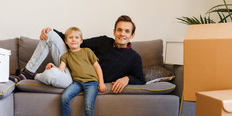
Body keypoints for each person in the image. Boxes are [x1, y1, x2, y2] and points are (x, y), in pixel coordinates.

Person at [10, 15, 145, 92]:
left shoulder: (134, 57)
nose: (122, 34)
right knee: (50, 34)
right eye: (119, 30)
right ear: (114, 31)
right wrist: (51, 32)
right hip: (69, 68)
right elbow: (77, 42)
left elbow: (141, 80)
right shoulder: (103, 41)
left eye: (127, 31)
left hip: (73, 81)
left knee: (53, 75)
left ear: (132, 35)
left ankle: (34, 76)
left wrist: (127, 78)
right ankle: (27, 73)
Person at [47, 27, 107, 116]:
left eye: (76, 37)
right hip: (77, 83)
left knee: (88, 105)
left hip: (91, 82)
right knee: (64, 97)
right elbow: (61, 71)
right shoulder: (66, 56)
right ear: (66, 41)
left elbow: (97, 67)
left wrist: (101, 82)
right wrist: (52, 67)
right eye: (70, 37)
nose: (73, 40)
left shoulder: (87, 51)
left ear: (81, 40)